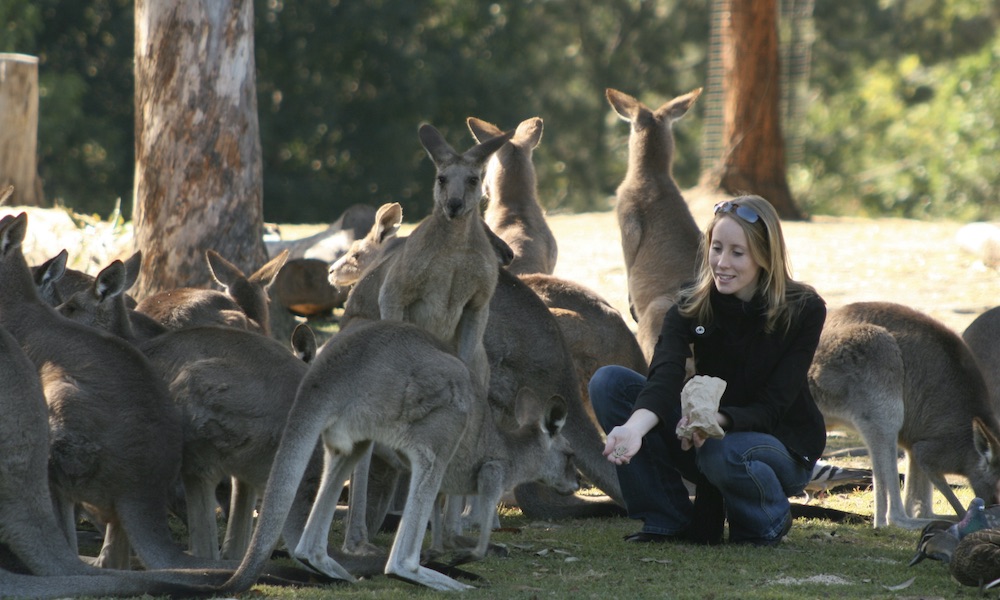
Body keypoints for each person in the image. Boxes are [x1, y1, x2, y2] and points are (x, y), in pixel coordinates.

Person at [590, 194, 826, 546]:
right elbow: (665, 375)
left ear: (764, 255)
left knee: (720, 450)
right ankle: (667, 518)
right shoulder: (692, 302)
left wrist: (717, 421)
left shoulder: (803, 309)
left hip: (779, 444)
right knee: (610, 382)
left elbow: (773, 406)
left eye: (737, 252)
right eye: (716, 248)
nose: (722, 262)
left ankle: (767, 521)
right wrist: (634, 429)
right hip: (705, 431)